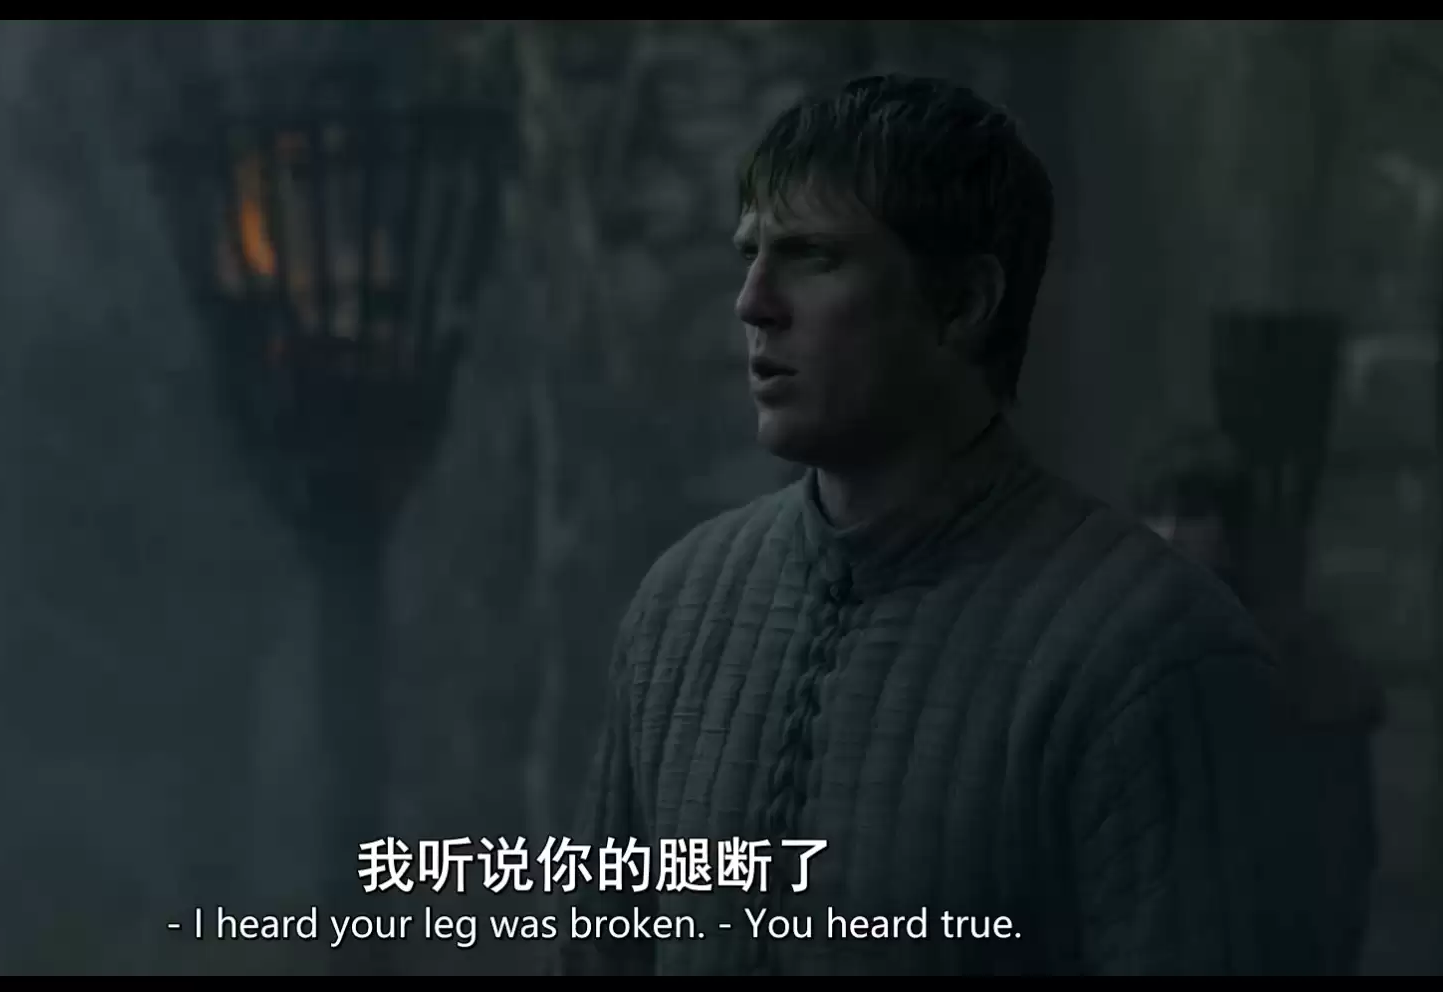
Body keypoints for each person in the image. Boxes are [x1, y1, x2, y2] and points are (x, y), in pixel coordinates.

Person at [550, 75, 1368, 975]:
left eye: (814, 256)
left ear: (965, 302)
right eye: (751, 254)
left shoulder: (1153, 653)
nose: (753, 301)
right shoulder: (680, 611)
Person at [1132, 429, 1384, 974]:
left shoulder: (1300, 658)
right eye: (1156, 513)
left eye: (1192, 514)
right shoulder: (1127, 649)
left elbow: (1338, 855)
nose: (1170, 533)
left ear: (1230, 530)